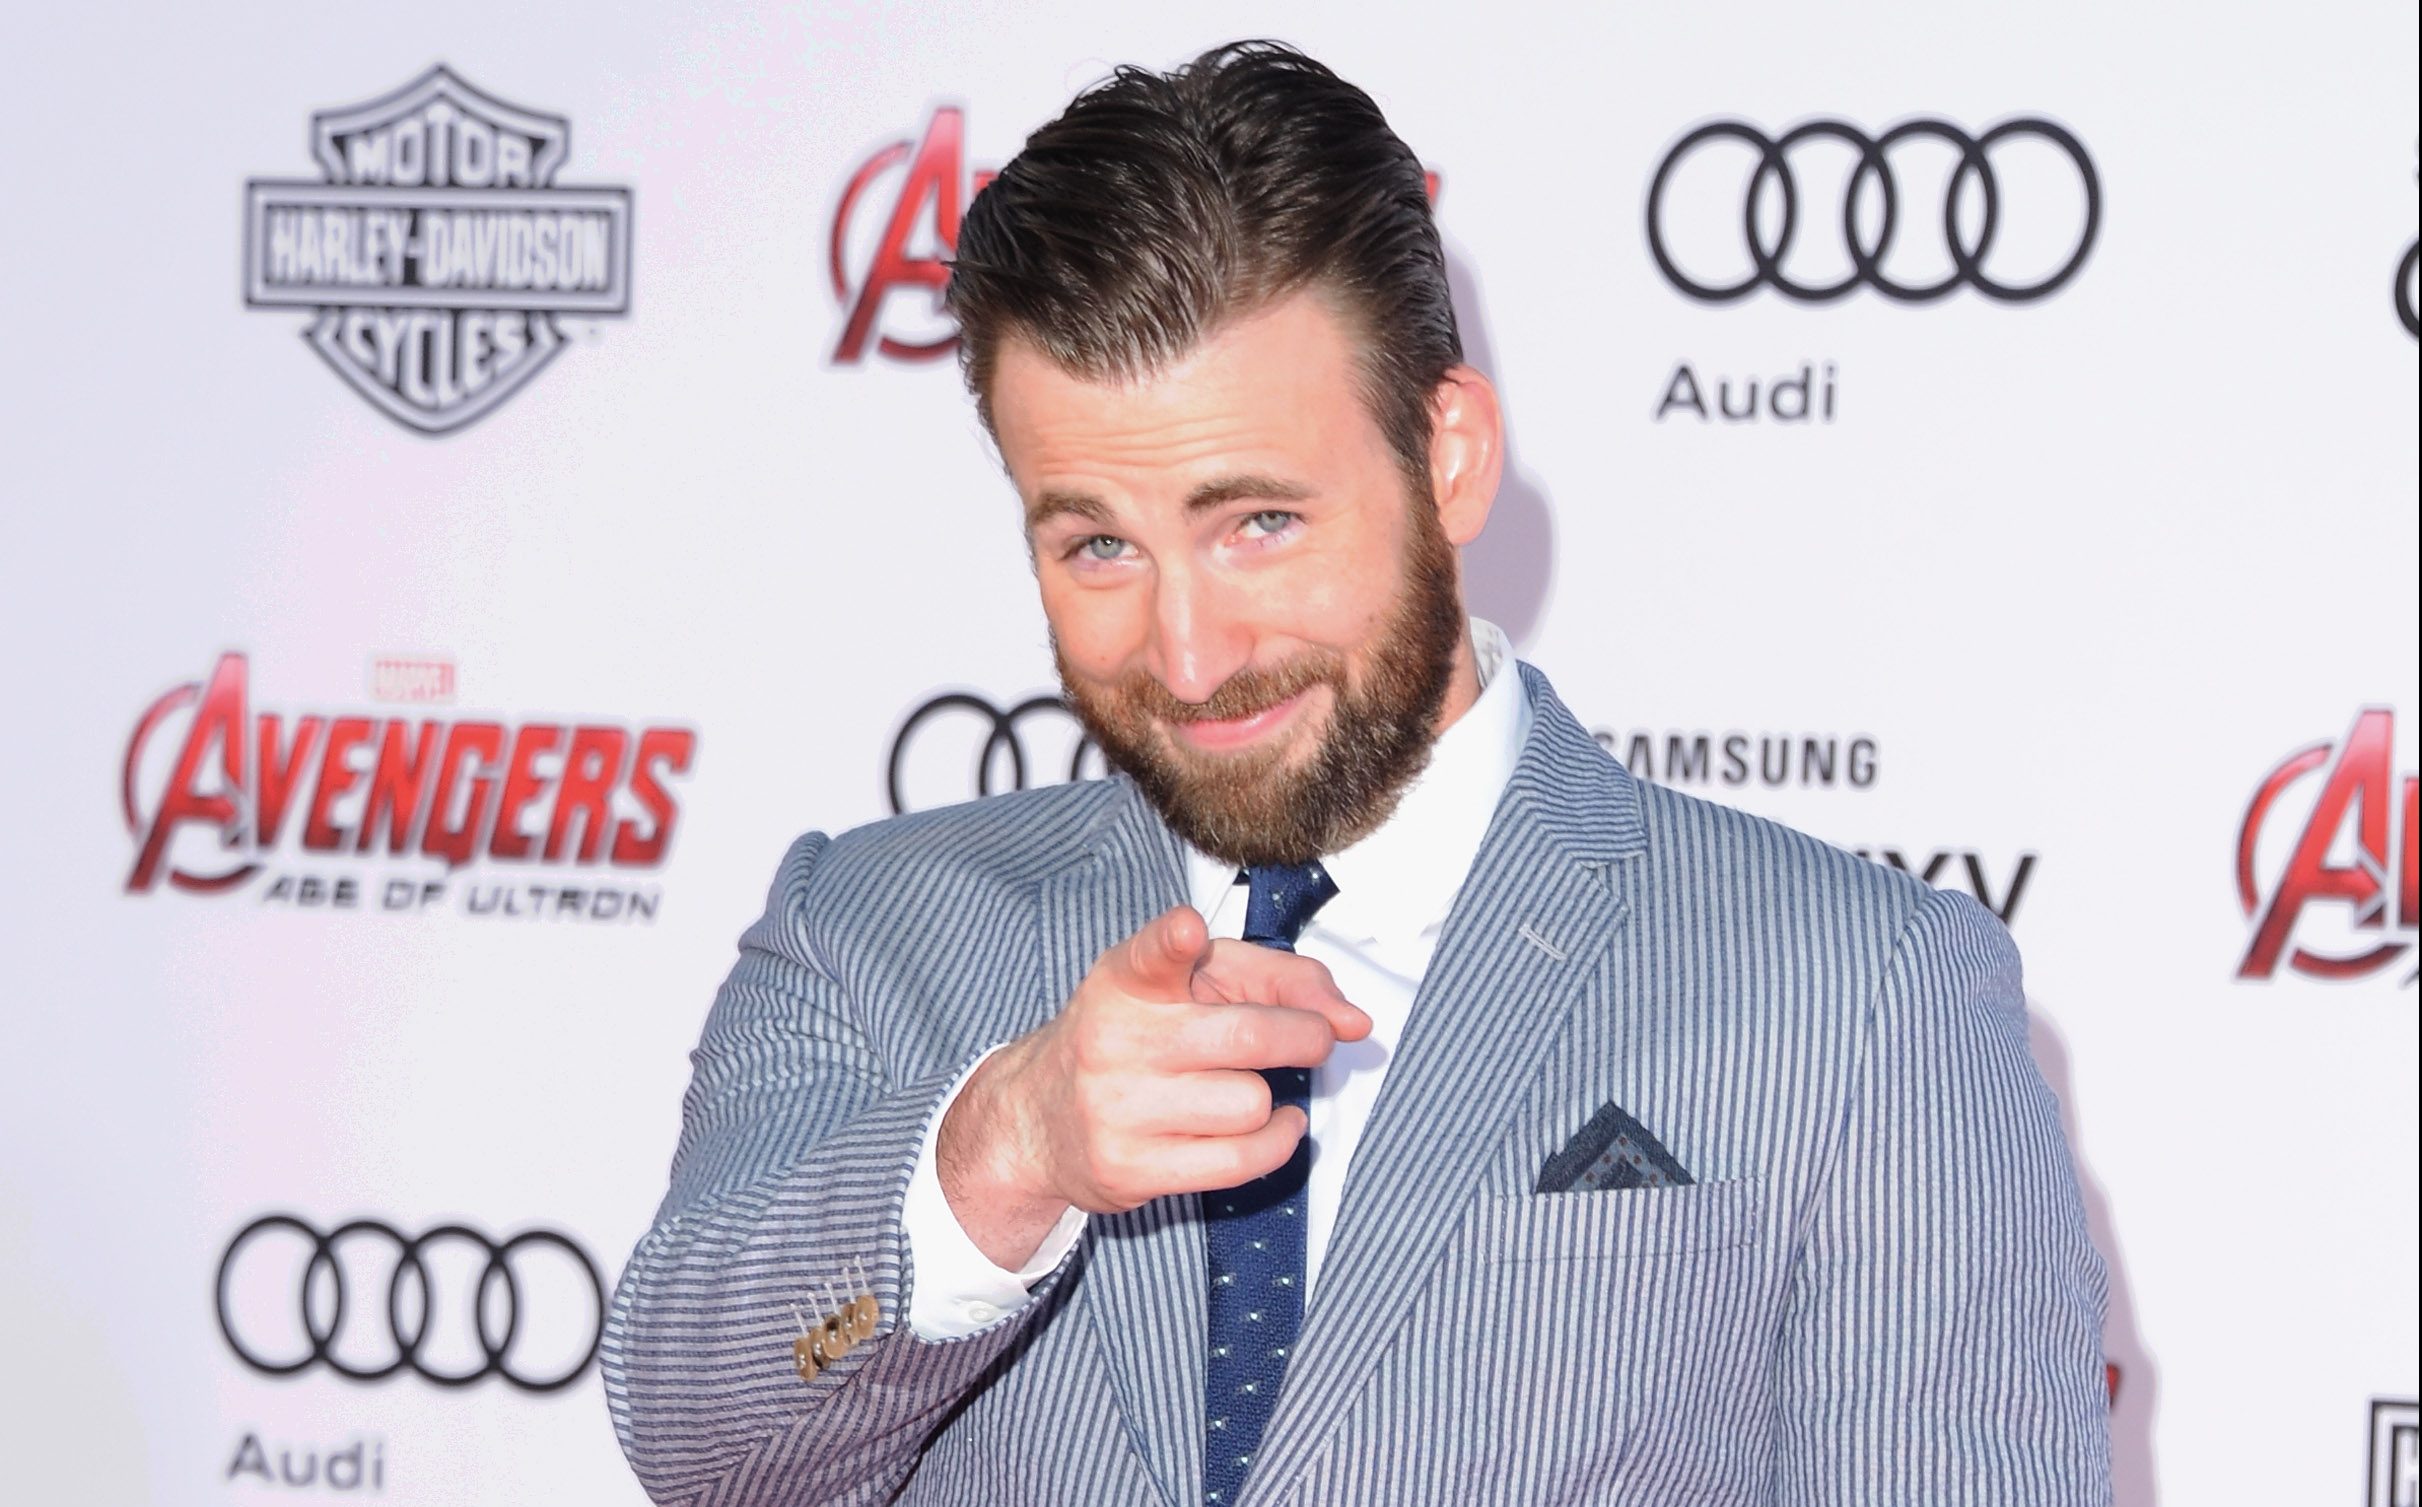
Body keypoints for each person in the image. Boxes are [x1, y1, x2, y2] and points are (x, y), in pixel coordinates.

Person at [602, 40, 2112, 1506]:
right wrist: (1007, 1150)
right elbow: (695, 1445)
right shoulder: (871, 931)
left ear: (1447, 457)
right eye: (1097, 545)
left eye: (1257, 521)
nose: (1187, 656)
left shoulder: (1861, 999)